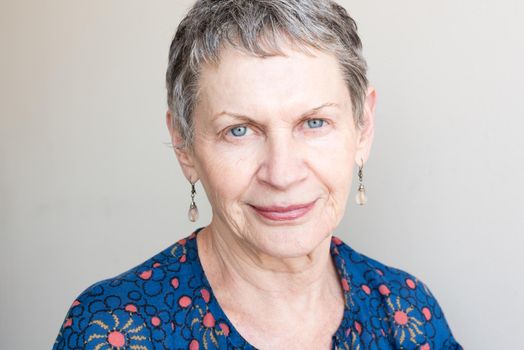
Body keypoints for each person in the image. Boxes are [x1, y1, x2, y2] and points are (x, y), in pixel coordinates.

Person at [53, 0, 462, 349]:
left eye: (314, 122)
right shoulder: (110, 330)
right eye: (239, 130)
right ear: (184, 145)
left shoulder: (409, 314)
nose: (281, 174)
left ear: (363, 129)